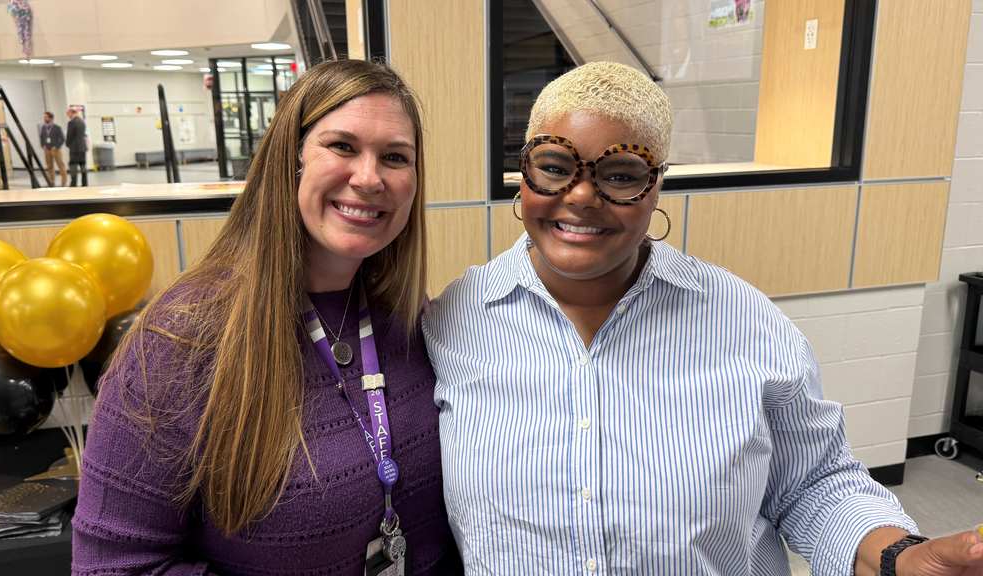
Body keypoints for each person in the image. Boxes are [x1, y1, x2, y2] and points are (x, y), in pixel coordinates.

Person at [423, 61, 983, 575]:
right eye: (554, 166)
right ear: (524, 173)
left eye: (620, 174)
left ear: (657, 184)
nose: (583, 195)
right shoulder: (453, 322)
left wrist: (897, 558)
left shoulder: (742, 320)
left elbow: (814, 483)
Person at [72, 59, 460, 575]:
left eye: (394, 157)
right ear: (290, 160)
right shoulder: (180, 342)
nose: (369, 178)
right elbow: (114, 567)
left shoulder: (413, 321)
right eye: (342, 146)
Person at [40, 111, 66, 187]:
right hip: (47, 150)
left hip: (56, 150)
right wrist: (43, 145)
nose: (44, 118)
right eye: (44, 117)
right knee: (49, 166)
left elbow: (62, 139)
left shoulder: (57, 127)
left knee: (60, 165)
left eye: (46, 117)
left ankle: (63, 182)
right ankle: (51, 182)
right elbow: (41, 137)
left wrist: (56, 146)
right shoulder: (43, 127)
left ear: (51, 118)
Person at [65, 107, 87, 187]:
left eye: (68, 114)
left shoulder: (71, 123)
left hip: (74, 148)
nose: (68, 115)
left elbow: (69, 136)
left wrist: (67, 144)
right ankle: (85, 184)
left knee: (73, 166)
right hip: (82, 148)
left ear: (71, 113)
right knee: (83, 166)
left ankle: (73, 184)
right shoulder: (82, 121)